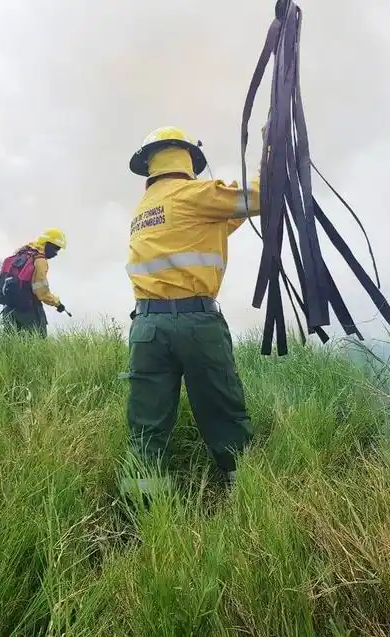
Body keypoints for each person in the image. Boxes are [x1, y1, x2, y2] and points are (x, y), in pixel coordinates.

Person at [120, 125, 262, 499]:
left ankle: (144, 509)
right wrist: (270, 148)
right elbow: (261, 197)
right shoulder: (195, 195)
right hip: (197, 323)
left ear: (150, 163)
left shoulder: (145, 209)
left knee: (147, 424)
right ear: (188, 158)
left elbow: (219, 222)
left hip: (146, 327)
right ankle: (244, 495)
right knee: (223, 411)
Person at [0, 227, 69, 338]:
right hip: (29, 310)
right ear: (47, 244)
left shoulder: (22, 253)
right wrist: (57, 303)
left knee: (9, 344)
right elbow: (41, 292)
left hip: (9, 309)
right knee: (38, 343)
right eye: (56, 249)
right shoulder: (40, 261)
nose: (56, 254)